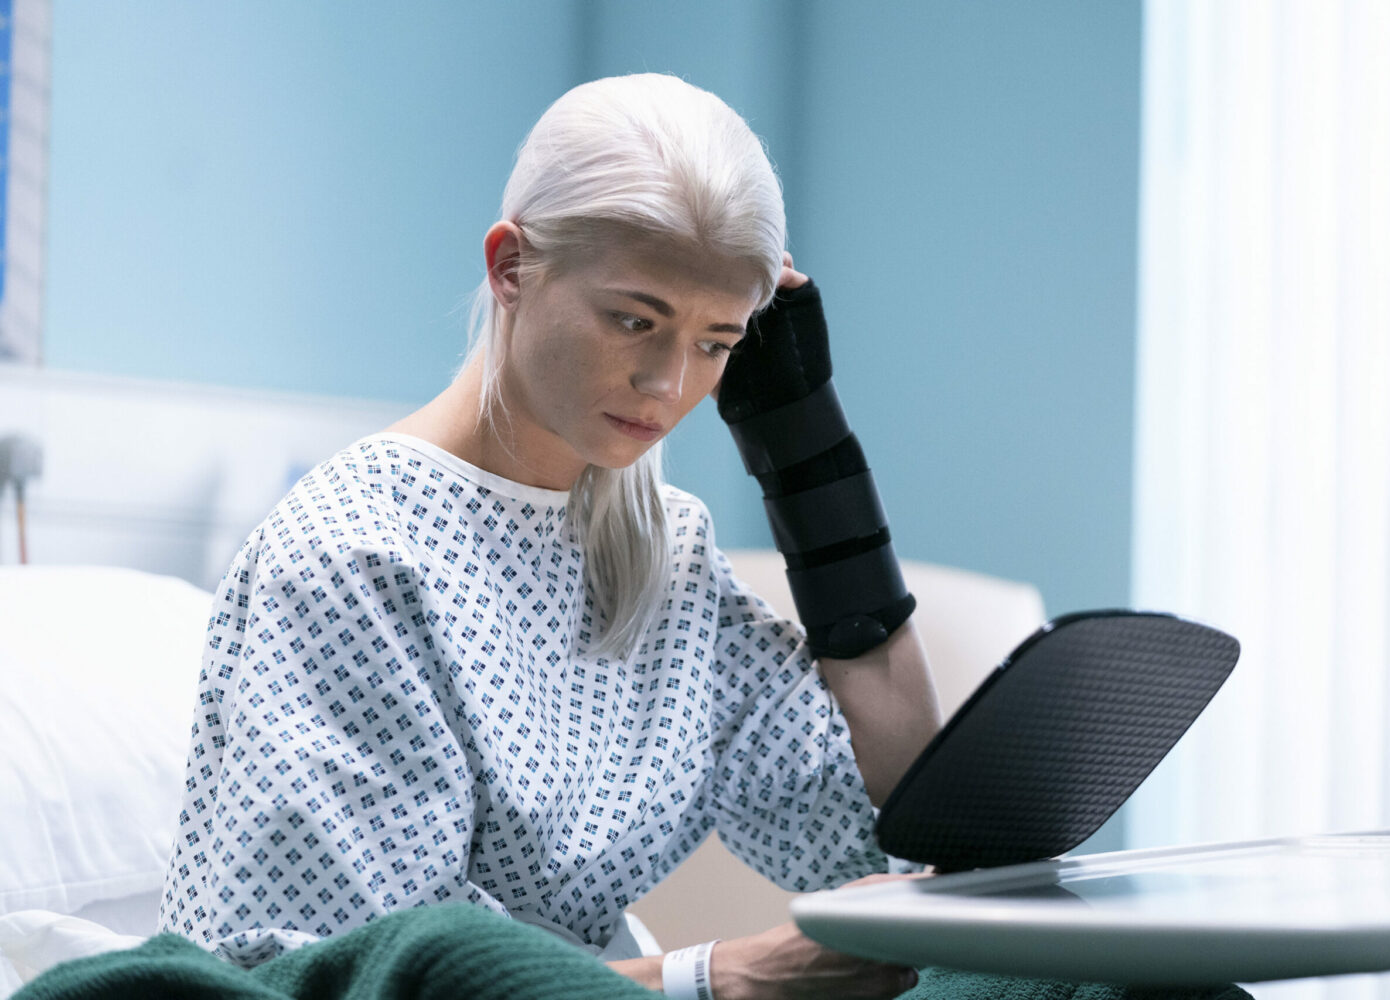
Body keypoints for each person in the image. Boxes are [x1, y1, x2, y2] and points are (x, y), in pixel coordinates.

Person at [159, 73, 941, 1000]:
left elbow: (894, 829)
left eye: (717, 342)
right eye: (633, 320)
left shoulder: (663, 552)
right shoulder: (353, 558)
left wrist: (807, 449)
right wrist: (720, 979)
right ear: (511, 269)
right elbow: (365, 975)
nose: (665, 382)